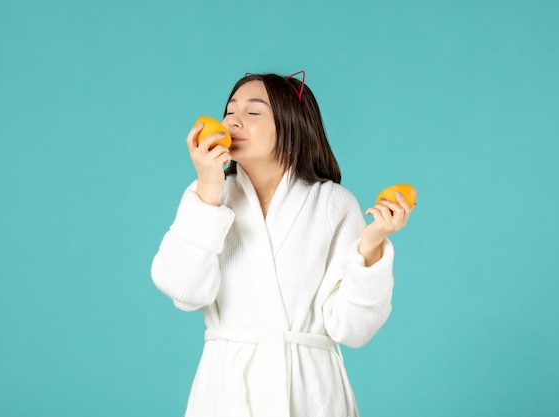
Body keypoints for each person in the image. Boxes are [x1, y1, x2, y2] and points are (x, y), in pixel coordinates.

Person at [151, 72, 413, 417]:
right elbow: (184, 290)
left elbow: (352, 329)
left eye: (253, 112)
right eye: (230, 112)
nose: (233, 121)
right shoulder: (208, 197)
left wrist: (372, 245)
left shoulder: (334, 204)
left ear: (292, 125)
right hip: (226, 393)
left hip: (311, 394)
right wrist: (207, 185)